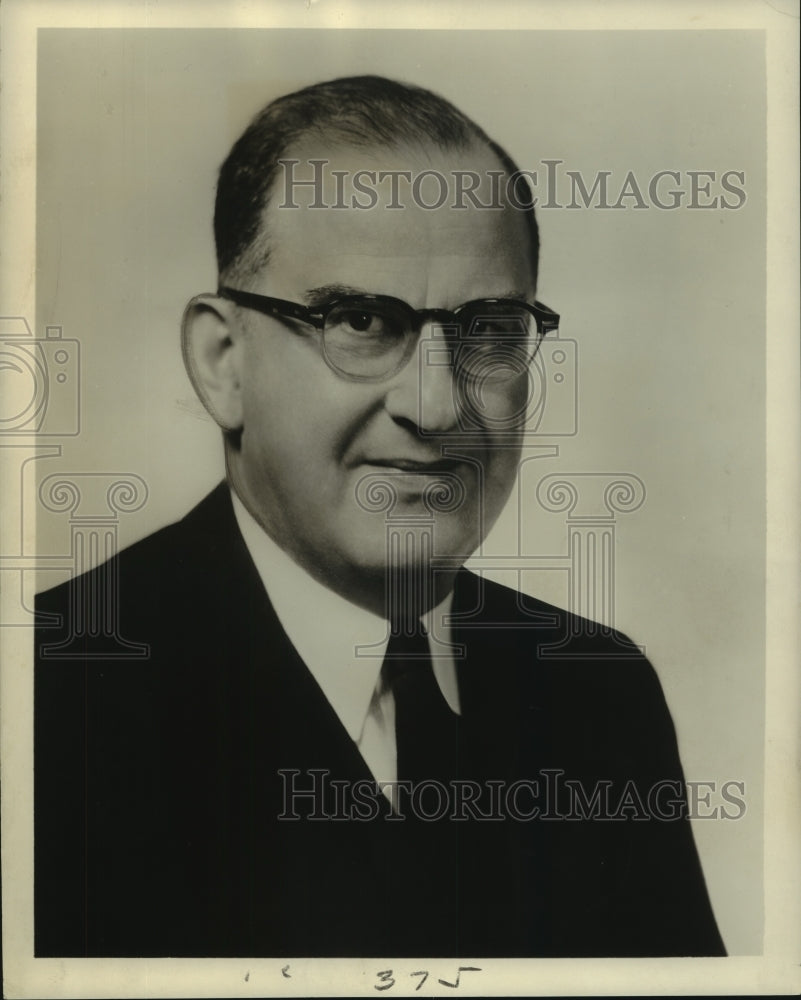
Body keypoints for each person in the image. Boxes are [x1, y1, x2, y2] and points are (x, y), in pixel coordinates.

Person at [34, 75, 725, 958]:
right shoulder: (53, 698)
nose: (436, 408)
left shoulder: (599, 695)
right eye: (361, 321)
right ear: (221, 362)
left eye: (487, 330)